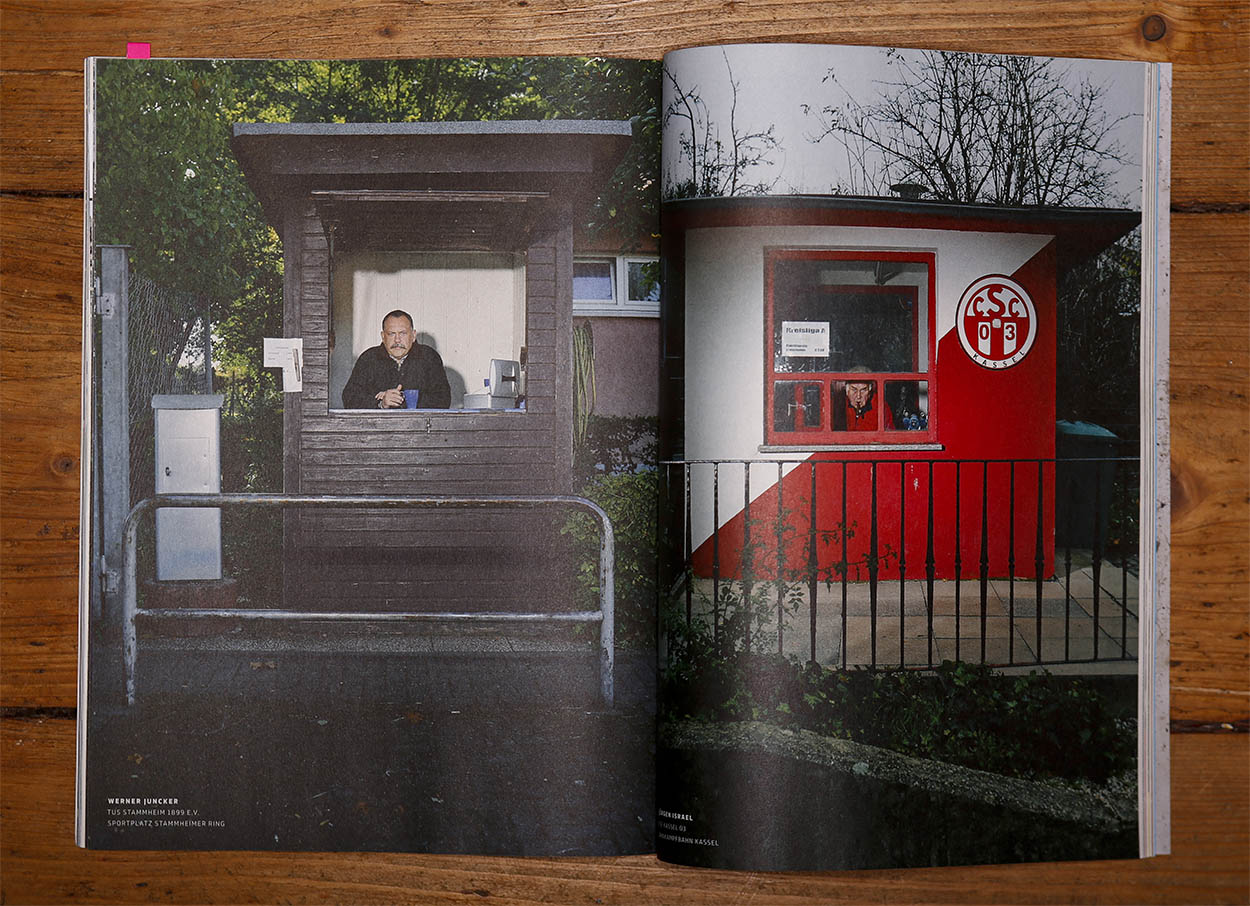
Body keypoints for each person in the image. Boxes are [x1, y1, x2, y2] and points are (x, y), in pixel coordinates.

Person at [341, 309, 451, 409]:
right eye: (391, 334)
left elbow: (443, 399)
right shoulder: (369, 358)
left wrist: (402, 399)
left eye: (402, 333)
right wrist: (381, 403)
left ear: (413, 335)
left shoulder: (429, 357)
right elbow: (349, 398)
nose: (397, 340)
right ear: (383, 336)